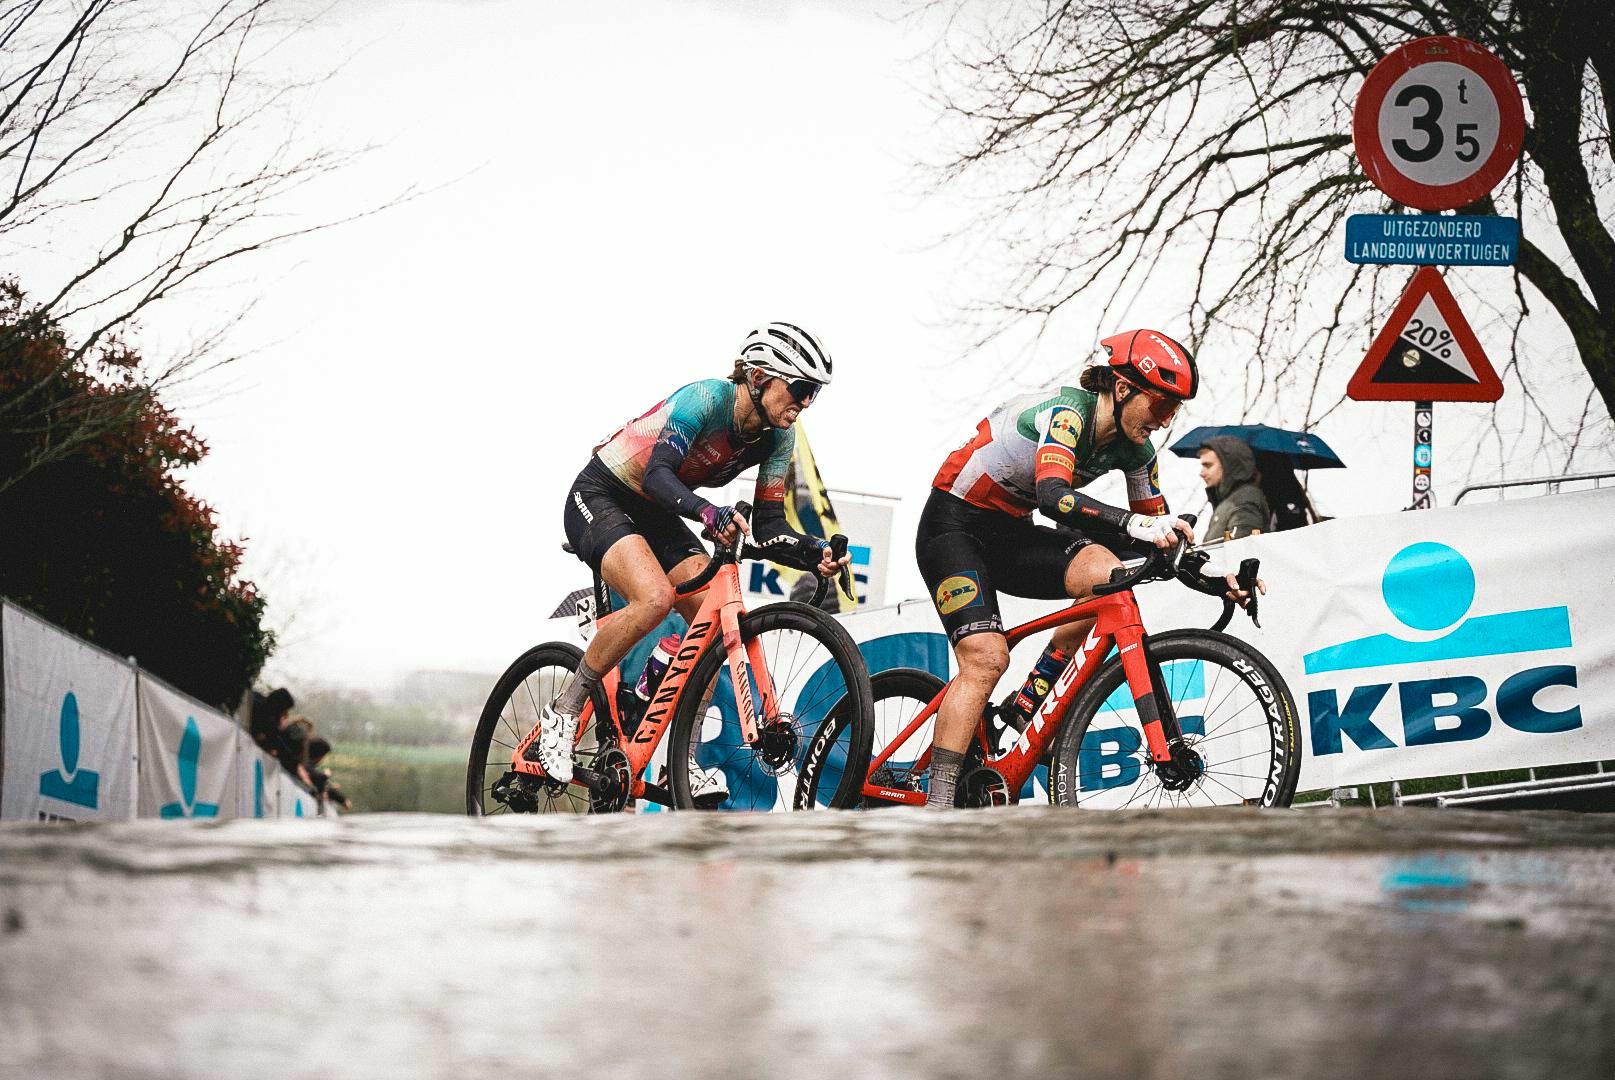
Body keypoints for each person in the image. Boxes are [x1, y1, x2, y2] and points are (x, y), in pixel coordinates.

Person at [917, 328, 1260, 810]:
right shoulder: (1068, 413)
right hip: (953, 526)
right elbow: (1055, 498)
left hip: (1010, 530)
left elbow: (1159, 539)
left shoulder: (1138, 450)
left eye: (1174, 410)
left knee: (1107, 571)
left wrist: (1217, 583)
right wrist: (1139, 524)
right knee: (986, 659)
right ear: (1122, 388)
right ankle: (938, 806)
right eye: (1160, 406)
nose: (1164, 422)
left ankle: (1029, 701)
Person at [536, 322, 851, 790]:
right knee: (654, 599)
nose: (805, 403)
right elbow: (660, 473)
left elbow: (769, 525)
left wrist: (814, 552)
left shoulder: (778, 435)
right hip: (604, 494)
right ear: (761, 376)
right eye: (801, 389)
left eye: (813, 395)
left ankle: (674, 755)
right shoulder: (705, 399)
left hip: (658, 509)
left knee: (706, 622)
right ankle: (562, 712)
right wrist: (708, 513)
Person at [1199, 435, 1271, 541]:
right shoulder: (1229, 501)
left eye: (1208, 465)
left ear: (1228, 465)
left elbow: (1243, 547)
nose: (1202, 473)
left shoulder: (1245, 498)